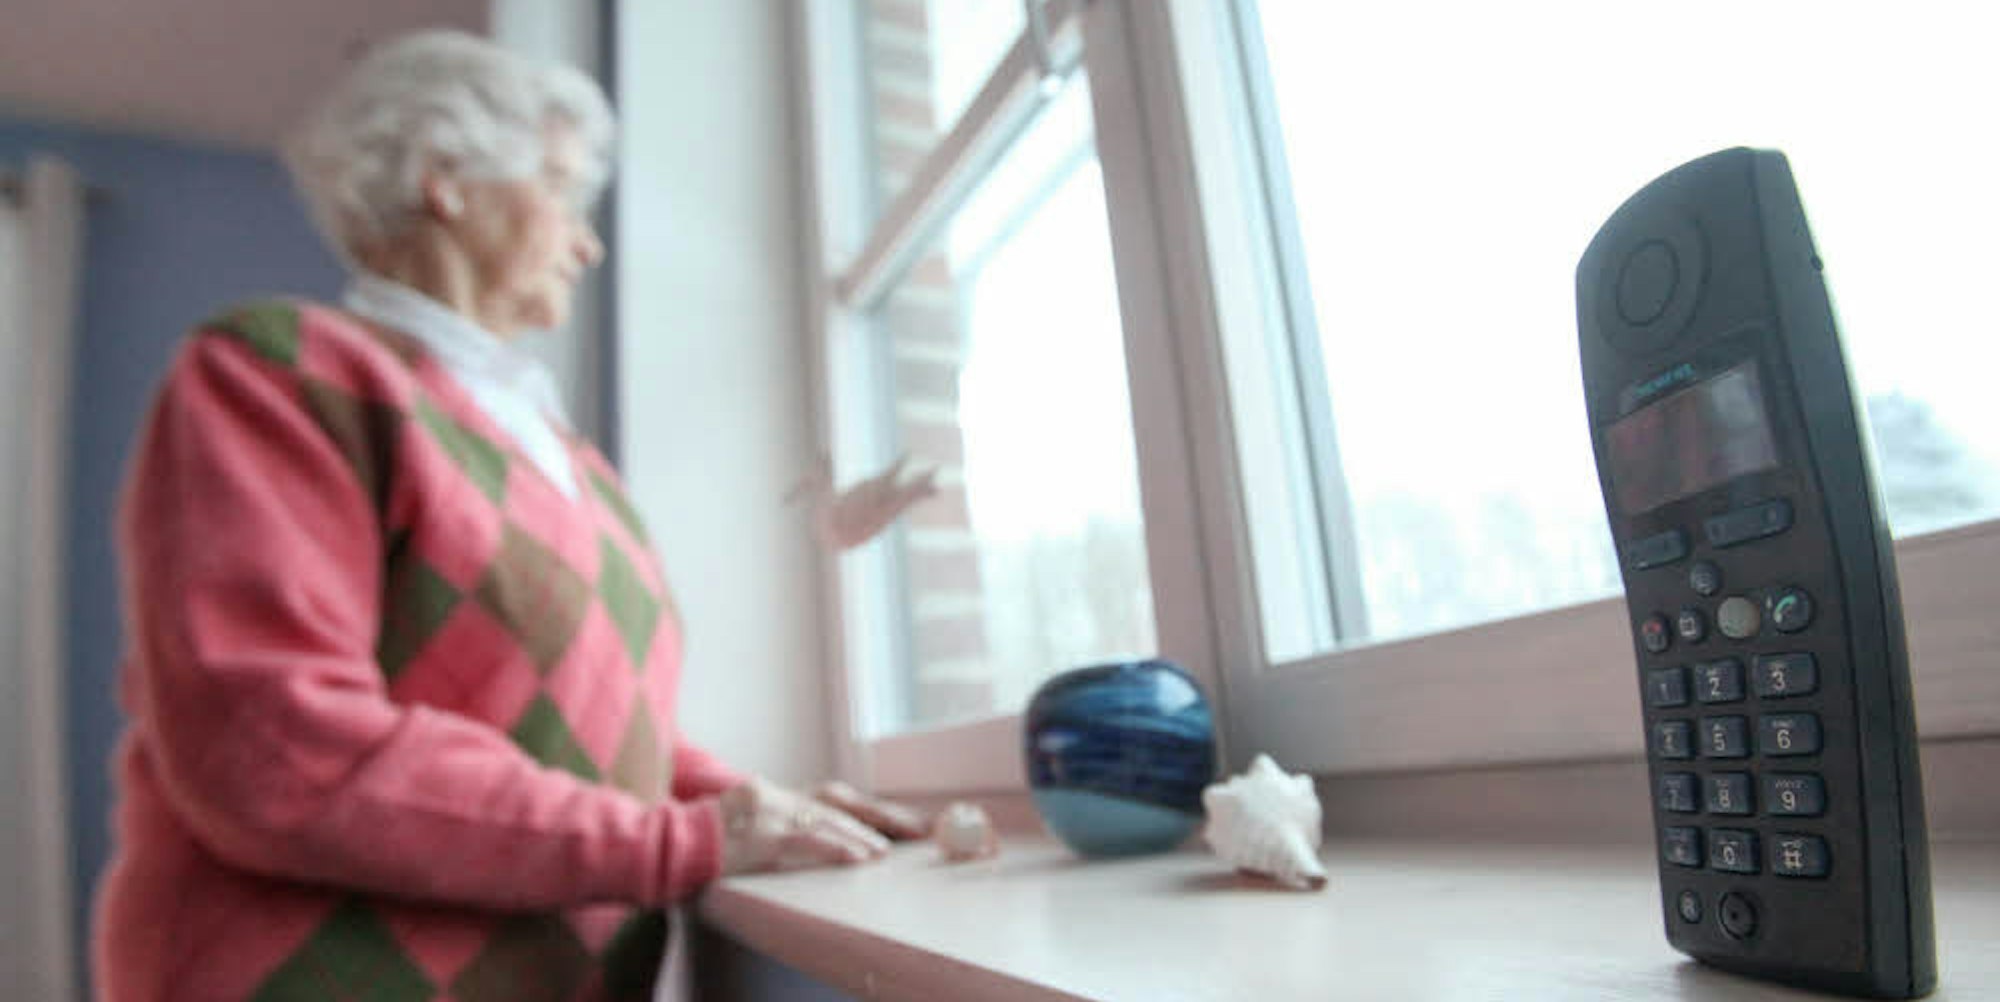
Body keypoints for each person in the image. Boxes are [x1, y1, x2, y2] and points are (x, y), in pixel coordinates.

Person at [93, 30, 924, 1002]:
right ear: (445, 178)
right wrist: (683, 842)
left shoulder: (570, 461)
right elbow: (277, 751)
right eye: (562, 191)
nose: (588, 243)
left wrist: (744, 803)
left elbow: (597, 742)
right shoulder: (280, 373)